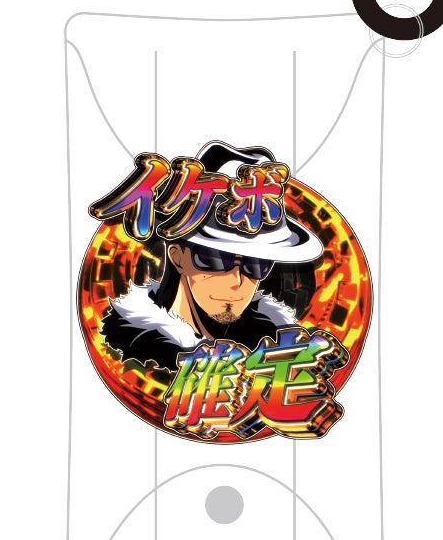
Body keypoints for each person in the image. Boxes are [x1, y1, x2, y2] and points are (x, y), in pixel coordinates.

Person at [100, 140, 324, 370]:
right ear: (177, 257)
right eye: (217, 260)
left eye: (256, 265)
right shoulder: (135, 356)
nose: (237, 282)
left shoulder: (273, 346)